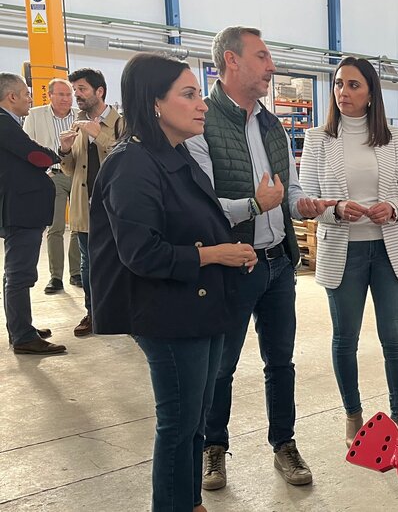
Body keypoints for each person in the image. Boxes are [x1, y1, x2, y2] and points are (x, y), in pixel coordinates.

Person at [89, 53, 258, 512]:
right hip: (165, 312)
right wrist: (215, 254)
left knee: (194, 420)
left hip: (197, 306)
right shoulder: (132, 164)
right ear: (155, 103)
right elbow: (141, 253)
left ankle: (189, 502)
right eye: (188, 94)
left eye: (198, 94)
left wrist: (229, 250)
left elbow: (199, 219)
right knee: (179, 423)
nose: (201, 104)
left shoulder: (177, 155)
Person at [186, 26, 332, 490]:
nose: (272, 67)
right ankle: (213, 446)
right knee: (221, 365)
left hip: (277, 263)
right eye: (263, 57)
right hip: (233, 265)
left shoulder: (272, 125)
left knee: (280, 362)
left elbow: (287, 189)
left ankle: (284, 443)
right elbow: (204, 209)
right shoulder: (201, 124)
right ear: (232, 61)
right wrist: (256, 205)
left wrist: (300, 203)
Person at [298, 56, 398, 447]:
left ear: (371, 93)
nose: (343, 92)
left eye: (354, 85)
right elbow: (306, 197)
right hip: (343, 252)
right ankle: (353, 414)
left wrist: (394, 209)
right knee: (345, 339)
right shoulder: (318, 138)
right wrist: (334, 209)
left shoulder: (393, 138)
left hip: (390, 252)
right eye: (338, 84)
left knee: (394, 339)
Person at [0, 73, 66, 355]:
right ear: (11, 97)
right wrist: (57, 154)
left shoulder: (9, 123)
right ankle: (23, 336)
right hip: (21, 209)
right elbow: (35, 156)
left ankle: (20, 327)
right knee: (19, 273)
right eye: (26, 93)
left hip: (21, 207)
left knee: (16, 273)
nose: (30, 98)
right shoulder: (4, 123)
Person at [58, 68, 124, 336]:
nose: (77, 96)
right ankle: (93, 312)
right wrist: (63, 150)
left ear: (100, 91)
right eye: (75, 91)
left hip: (116, 206)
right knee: (88, 263)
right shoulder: (77, 124)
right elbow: (71, 169)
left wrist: (100, 136)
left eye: (82, 89)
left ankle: (121, 313)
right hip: (85, 206)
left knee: (121, 261)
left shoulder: (122, 123)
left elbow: (127, 159)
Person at [22, 78, 82, 294]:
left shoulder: (80, 116)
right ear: (50, 95)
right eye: (62, 94)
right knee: (56, 227)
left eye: (69, 95)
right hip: (52, 175)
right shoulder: (35, 115)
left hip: (77, 175)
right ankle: (56, 277)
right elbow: (27, 145)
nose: (67, 99)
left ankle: (77, 272)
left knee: (78, 226)